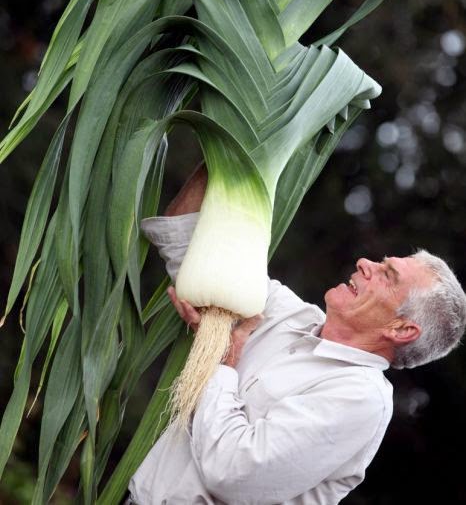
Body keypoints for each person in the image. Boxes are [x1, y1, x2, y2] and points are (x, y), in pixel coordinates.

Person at [127, 165, 466, 505]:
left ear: (402, 329)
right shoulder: (285, 312)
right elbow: (185, 239)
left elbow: (233, 474)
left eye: (388, 275)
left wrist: (223, 363)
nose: (366, 263)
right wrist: (223, 146)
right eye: (382, 262)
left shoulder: (360, 398)